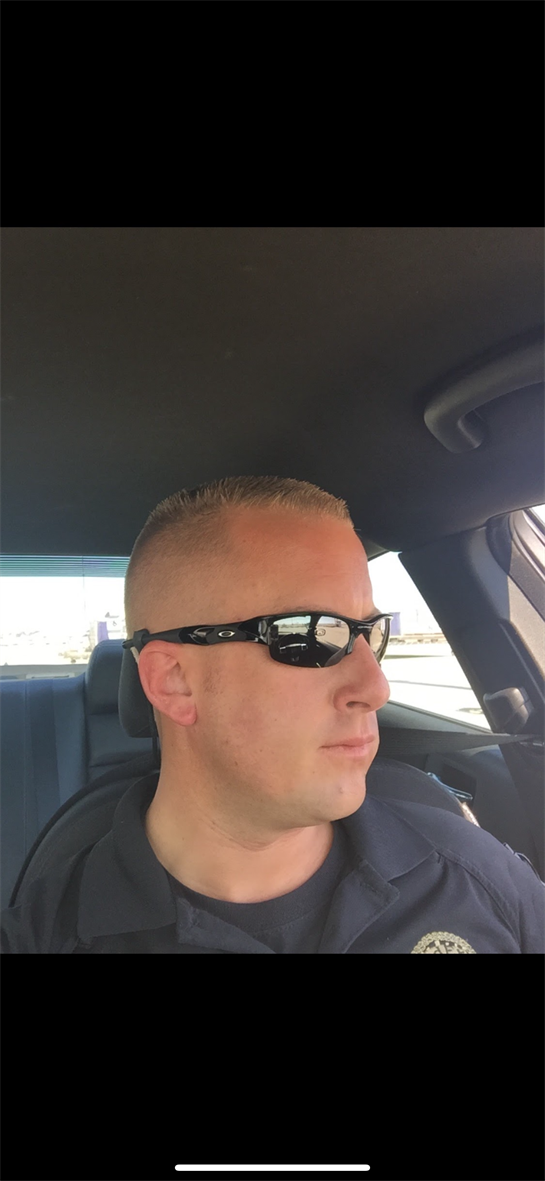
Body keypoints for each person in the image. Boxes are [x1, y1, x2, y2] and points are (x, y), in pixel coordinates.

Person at [1, 475, 543, 953]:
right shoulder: (50, 934)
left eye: (368, 635)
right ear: (173, 682)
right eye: (309, 635)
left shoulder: (474, 875)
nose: (375, 688)